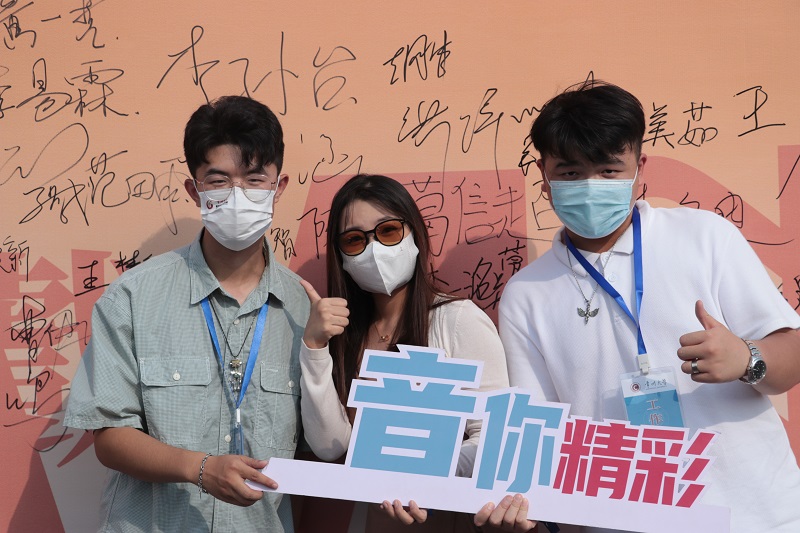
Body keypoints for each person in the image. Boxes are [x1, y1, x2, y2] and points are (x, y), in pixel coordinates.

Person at [494, 80, 800, 532]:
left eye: (609, 170)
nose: (591, 187)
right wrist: (517, 503)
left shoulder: (704, 236)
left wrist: (747, 358)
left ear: (639, 166)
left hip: (755, 517)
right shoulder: (525, 294)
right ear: (544, 174)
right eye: (571, 173)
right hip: (620, 521)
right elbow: (537, 430)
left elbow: (791, 357)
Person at [64, 96, 310, 532]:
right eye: (219, 180)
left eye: (255, 179)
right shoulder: (133, 297)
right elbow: (109, 438)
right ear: (194, 190)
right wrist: (200, 469)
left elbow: (323, 440)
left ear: (279, 186)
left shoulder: (303, 308)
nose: (238, 194)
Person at [298, 174, 511, 532]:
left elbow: (495, 437)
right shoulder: (346, 335)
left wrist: (423, 474)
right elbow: (330, 446)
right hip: (373, 522)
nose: (374, 249)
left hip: (444, 520)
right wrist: (315, 347)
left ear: (414, 234)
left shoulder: (457, 320)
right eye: (354, 240)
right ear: (341, 255)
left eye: (388, 231)